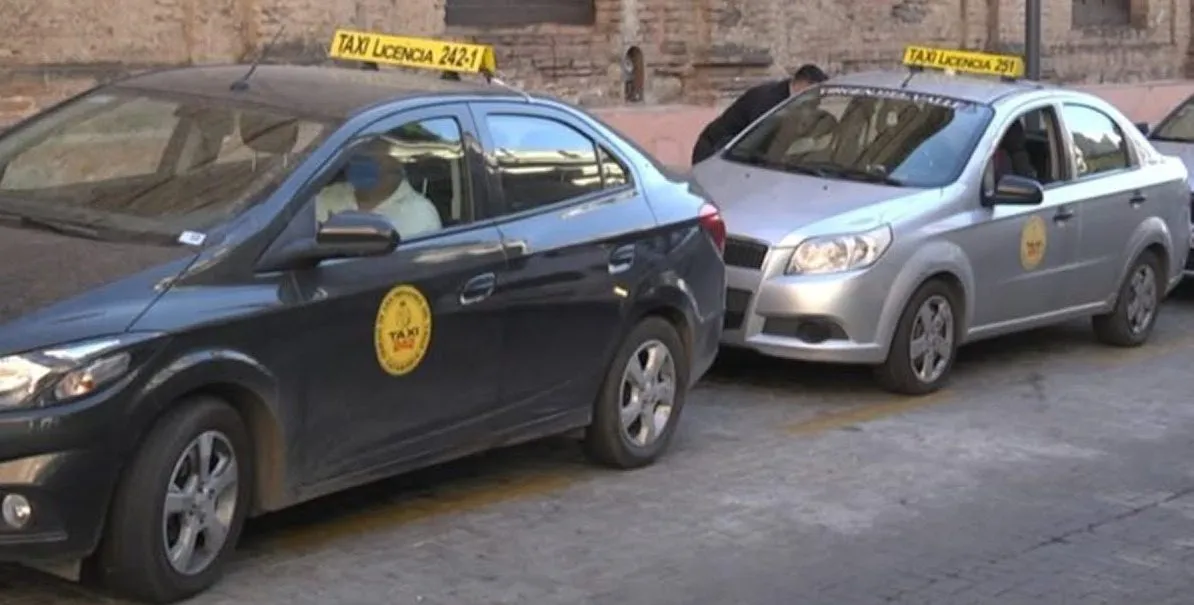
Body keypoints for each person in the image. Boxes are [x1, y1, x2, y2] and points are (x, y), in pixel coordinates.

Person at [691, 63, 829, 165]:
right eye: (814, 95)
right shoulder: (769, 101)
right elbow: (759, 142)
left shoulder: (791, 99)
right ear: (803, 84)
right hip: (714, 151)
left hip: (736, 155)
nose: (816, 102)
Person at [316, 141, 443, 240]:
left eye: (373, 151)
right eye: (360, 152)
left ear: (397, 162)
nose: (363, 159)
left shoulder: (420, 214)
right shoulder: (326, 196)